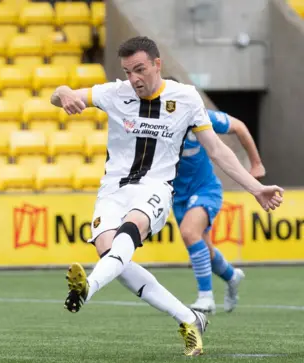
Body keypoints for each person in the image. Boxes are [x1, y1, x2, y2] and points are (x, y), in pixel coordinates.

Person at [50, 36, 283, 356]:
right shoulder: (114, 93)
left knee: (128, 234)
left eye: (140, 69)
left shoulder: (185, 98)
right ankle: (189, 317)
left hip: (155, 188)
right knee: (111, 255)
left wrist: (256, 188)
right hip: (113, 189)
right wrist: (63, 95)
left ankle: (88, 289)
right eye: (128, 71)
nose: (134, 78)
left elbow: (217, 150)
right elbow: (60, 94)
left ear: (157, 64)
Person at [170, 92, 265, 314]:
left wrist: (256, 163)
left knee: (189, 233)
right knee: (205, 249)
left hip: (205, 189)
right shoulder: (155, 121)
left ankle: (206, 298)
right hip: (177, 195)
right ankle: (232, 276)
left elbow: (239, 127)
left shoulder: (202, 116)